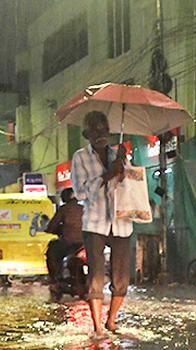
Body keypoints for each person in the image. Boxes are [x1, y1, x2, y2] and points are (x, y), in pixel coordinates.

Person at [71, 110, 132, 334]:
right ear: (87, 134)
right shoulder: (80, 157)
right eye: (95, 129)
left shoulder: (119, 154)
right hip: (95, 223)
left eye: (104, 128)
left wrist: (124, 167)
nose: (100, 133)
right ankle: (97, 327)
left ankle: (111, 320)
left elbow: (130, 188)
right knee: (96, 276)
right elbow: (80, 193)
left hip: (122, 222)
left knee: (122, 278)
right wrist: (107, 175)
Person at [45, 188, 84, 296]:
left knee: (52, 253)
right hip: (86, 244)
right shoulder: (84, 209)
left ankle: (55, 280)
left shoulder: (64, 209)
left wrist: (50, 229)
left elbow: (52, 226)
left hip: (69, 244)